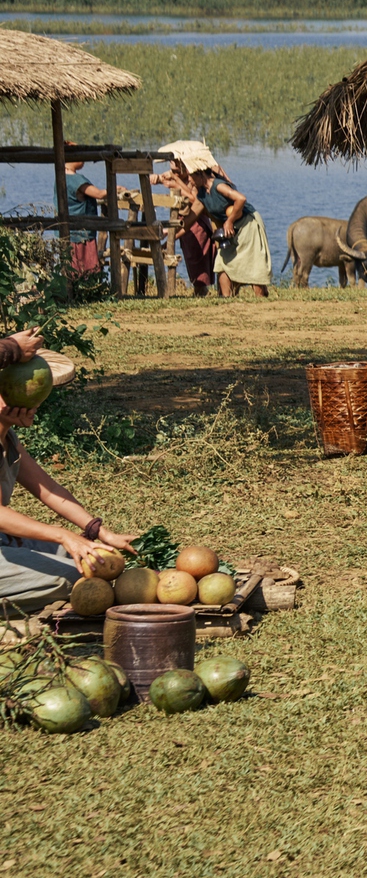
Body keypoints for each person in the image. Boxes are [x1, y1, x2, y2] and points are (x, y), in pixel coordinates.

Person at [0, 330, 143, 613]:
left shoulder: (8, 437)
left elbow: (49, 490)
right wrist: (63, 534)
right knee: (71, 577)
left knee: (97, 559)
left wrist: (99, 531)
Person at [193, 164, 270, 298]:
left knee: (252, 262)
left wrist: (229, 221)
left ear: (201, 174)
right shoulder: (202, 194)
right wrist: (170, 233)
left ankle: (260, 298)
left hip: (247, 224)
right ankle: (225, 299)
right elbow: (190, 218)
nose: (190, 180)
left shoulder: (218, 185)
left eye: (191, 176)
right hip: (230, 229)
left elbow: (241, 198)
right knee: (222, 263)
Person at [156, 141, 219, 296]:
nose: (172, 164)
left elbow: (194, 200)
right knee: (191, 259)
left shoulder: (195, 181)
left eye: (175, 161)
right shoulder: (182, 177)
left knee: (199, 259)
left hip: (196, 224)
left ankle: (201, 290)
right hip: (185, 224)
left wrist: (176, 183)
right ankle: (199, 289)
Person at [61, 156, 107, 275]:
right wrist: (117, 189)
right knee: (86, 270)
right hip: (81, 235)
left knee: (71, 270)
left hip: (67, 233)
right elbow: (99, 194)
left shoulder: (60, 178)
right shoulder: (76, 180)